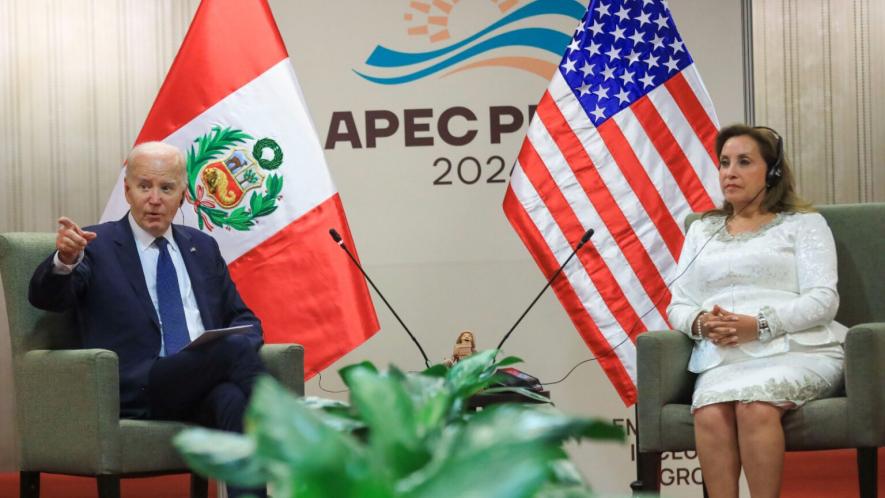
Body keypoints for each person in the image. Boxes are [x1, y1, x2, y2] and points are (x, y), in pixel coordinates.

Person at [28, 141, 267, 498]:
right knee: (232, 350)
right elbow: (47, 298)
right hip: (141, 386)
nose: (154, 198)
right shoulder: (97, 244)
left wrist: (221, 354)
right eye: (144, 186)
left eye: (166, 188)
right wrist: (65, 260)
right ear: (128, 190)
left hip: (199, 385)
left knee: (232, 399)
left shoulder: (202, 248)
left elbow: (244, 319)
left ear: (183, 195)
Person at [667, 124, 846, 498]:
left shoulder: (804, 225)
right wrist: (700, 323)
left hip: (797, 347)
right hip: (724, 357)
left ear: (772, 172)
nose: (729, 172)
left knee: (754, 408)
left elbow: (823, 300)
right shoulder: (703, 231)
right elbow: (678, 302)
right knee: (710, 413)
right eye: (724, 163)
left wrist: (760, 325)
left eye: (744, 162)